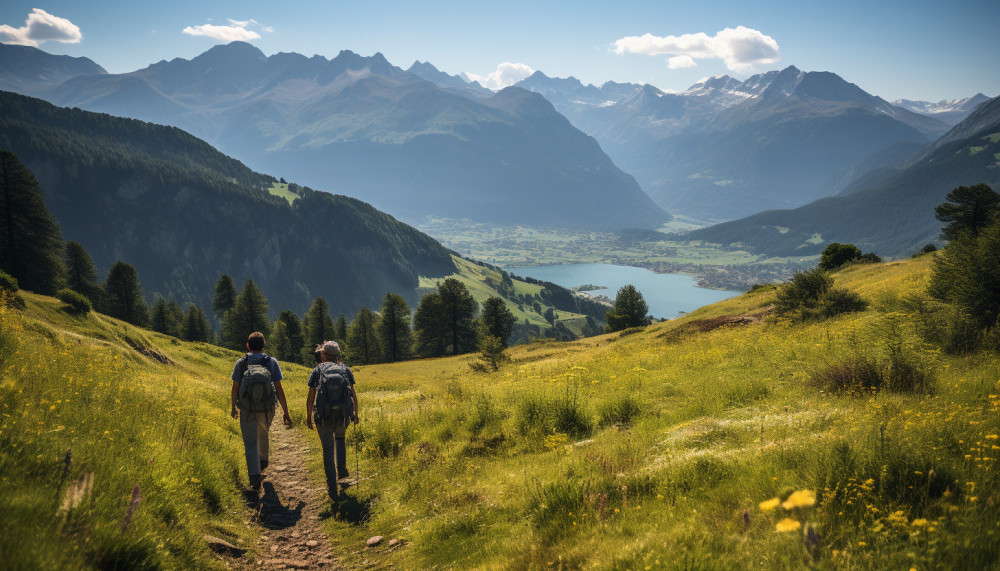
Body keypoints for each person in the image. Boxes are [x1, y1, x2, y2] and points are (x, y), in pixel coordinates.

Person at [230, 331, 292, 493]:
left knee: (250, 442)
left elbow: (235, 387)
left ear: (248, 345)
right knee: (263, 434)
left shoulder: (241, 363)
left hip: (247, 408)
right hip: (267, 408)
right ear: (263, 346)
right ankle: (263, 461)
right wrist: (286, 411)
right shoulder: (271, 362)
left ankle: (254, 477)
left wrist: (233, 407)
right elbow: (278, 388)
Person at [306, 341, 359, 499]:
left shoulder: (317, 370)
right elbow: (353, 395)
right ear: (337, 355)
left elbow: (310, 397)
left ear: (323, 355)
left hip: (324, 416)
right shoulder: (345, 370)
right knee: (340, 440)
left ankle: (331, 486)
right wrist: (355, 413)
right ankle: (342, 474)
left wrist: (308, 416)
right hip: (342, 415)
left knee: (328, 450)